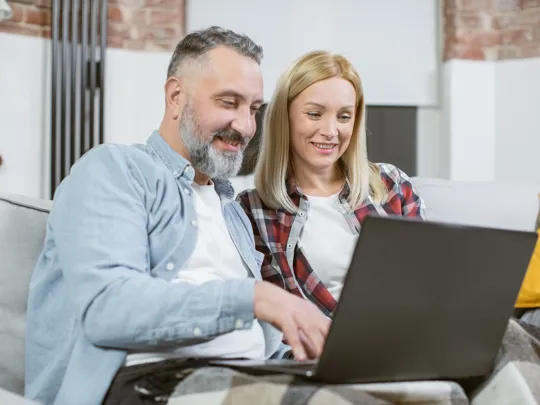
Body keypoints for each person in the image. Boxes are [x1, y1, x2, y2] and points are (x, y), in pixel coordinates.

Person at [24, 27, 330, 405]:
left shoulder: (231, 211)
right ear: (175, 97)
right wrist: (253, 297)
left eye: (253, 109)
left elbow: (262, 344)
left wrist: (320, 355)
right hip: (144, 379)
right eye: (228, 102)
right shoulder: (116, 170)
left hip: (242, 377)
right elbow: (109, 309)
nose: (247, 126)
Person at [237, 51, 426, 316]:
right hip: (315, 353)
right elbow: (266, 320)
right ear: (284, 117)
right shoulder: (252, 211)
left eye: (344, 116)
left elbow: (428, 282)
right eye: (314, 114)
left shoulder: (391, 185)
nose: (330, 131)